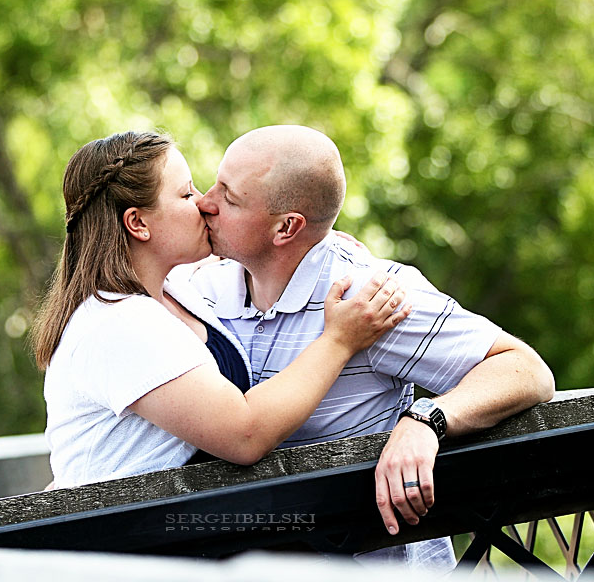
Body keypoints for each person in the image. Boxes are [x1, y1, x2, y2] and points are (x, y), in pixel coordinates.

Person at [191, 124, 556, 568]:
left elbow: (526, 369)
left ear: (287, 227)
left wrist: (427, 420)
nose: (204, 202)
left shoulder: (372, 298)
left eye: (229, 198)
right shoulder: (195, 290)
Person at [32, 130, 412, 488]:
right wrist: (340, 340)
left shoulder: (172, 290)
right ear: (138, 223)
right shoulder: (119, 324)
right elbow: (245, 434)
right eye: (184, 195)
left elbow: (233, 259)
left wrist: (312, 244)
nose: (202, 202)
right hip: (130, 548)